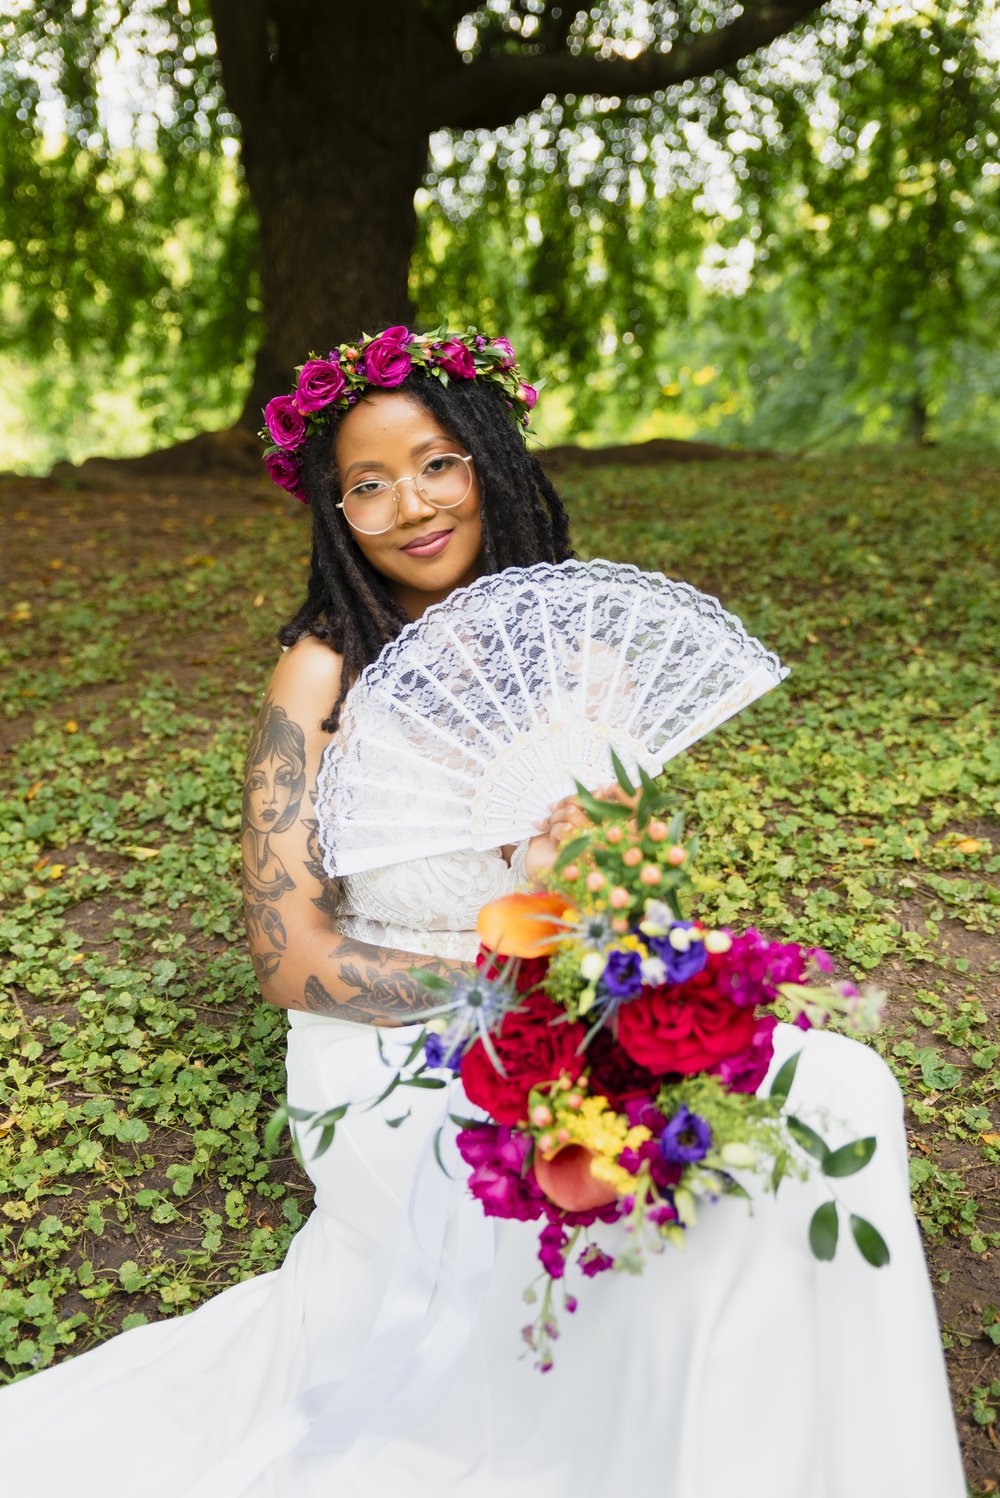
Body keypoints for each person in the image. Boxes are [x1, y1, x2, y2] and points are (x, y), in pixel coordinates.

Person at [0, 327, 966, 1498]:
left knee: (842, 1089)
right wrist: (492, 989)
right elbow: (285, 955)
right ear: (335, 512)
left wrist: (595, 873)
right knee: (637, 1209)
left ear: (491, 463)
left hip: (568, 1018)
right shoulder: (320, 675)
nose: (409, 502)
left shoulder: (585, 657)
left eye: (437, 462)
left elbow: (625, 920)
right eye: (366, 484)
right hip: (393, 1055)